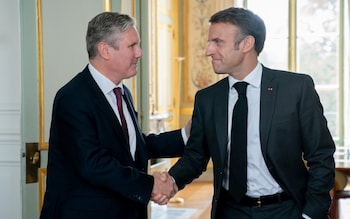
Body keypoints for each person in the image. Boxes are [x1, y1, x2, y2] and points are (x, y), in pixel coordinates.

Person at [166, 7, 335, 219]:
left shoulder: (295, 89)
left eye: (217, 42)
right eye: (210, 42)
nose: (208, 50)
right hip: (230, 211)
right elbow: (196, 156)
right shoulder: (207, 99)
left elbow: (321, 155)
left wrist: (310, 214)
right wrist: (171, 181)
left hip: (286, 210)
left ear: (247, 44)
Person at [40, 12, 190, 219]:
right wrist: (150, 185)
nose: (140, 53)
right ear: (105, 50)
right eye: (132, 46)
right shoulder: (73, 97)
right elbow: (93, 163)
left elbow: (135, 146)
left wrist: (185, 135)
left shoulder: (122, 93)